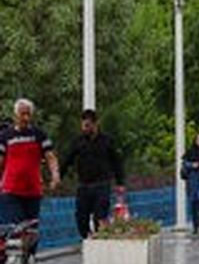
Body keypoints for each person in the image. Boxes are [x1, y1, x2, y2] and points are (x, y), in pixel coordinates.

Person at [61, 108, 125, 239]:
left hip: (102, 184)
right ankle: (86, 238)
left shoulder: (107, 141)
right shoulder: (78, 142)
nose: (85, 128)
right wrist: (58, 177)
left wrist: (120, 183)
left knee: (100, 217)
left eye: (88, 125)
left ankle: (99, 241)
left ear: (96, 124)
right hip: (83, 185)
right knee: (80, 217)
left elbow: (117, 162)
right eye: (83, 125)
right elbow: (67, 160)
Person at [0, 98, 60, 227]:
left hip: (33, 191)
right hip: (11, 191)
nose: (26, 118)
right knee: (15, 229)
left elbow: (50, 157)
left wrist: (55, 175)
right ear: (16, 115)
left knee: (32, 231)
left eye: (28, 114)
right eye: (23, 114)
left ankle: (30, 248)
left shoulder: (39, 134)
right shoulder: (5, 136)